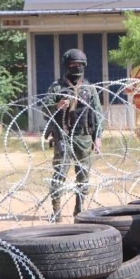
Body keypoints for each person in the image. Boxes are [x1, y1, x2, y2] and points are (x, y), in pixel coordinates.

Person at [43, 49, 103, 221]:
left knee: (83, 175)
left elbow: (97, 114)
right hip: (63, 135)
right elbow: (44, 108)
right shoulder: (57, 87)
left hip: (84, 136)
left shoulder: (89, 89)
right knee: (60, 174)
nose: (77, 67)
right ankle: (56, 211)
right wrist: (57, 105)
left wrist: (98, 137)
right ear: (67, 65)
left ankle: (80, 209)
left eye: (80, 64)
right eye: (73, 64)